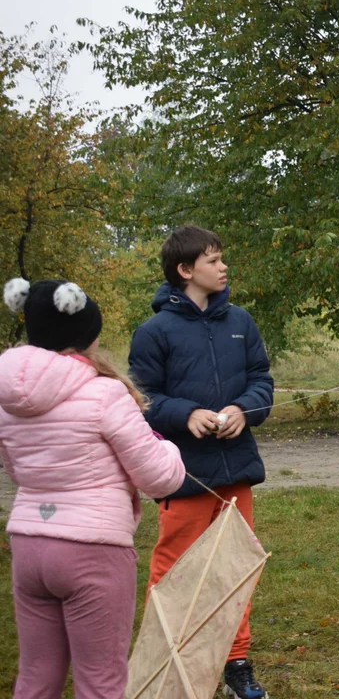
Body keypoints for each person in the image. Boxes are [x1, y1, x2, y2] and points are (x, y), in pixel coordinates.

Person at [1, 277, 186, 699]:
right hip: (94, 548)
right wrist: (169, 447)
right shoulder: (105, 393)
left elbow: (17, 470)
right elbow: (160, 478)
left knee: (35, 677)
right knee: (100, 682)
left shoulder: (6, 400)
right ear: (85, 332)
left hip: (29, 544)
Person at [128, 226, 274, 699]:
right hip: (182, 472)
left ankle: (235, 663)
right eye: (213, 260)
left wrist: (241, 410)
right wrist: (185, 413)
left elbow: (261, 382)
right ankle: (167, 662)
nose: (223, 267)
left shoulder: (241, 322)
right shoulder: (153, 332)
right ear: (186, 270)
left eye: (222, 259)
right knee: (175, 568)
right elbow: (142, 397)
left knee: (234, 566)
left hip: (236, 469)